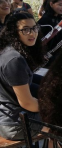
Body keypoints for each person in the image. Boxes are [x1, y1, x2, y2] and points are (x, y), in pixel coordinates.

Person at [0, 12, 44, 140]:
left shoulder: (6, 50)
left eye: (34, 28)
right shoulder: (14, 60)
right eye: (25, 29)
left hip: (8, 120)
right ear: (13, 32)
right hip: (16, 124)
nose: (32, 33)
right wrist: (55, 105)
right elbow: (27, 103)